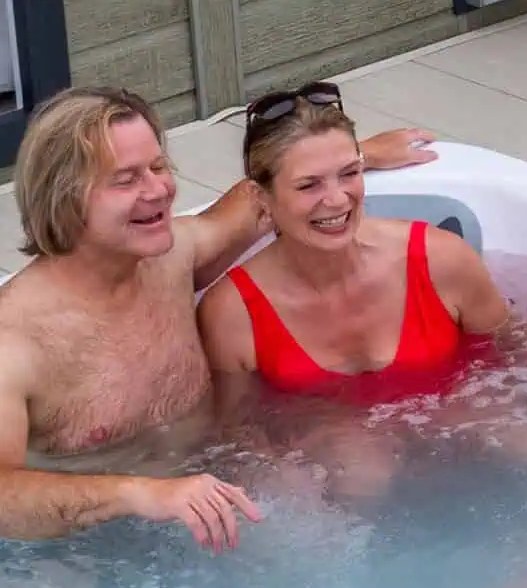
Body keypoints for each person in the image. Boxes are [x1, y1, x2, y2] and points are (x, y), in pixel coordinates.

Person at [0, 85, 436, 545]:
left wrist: (354, 156)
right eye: (127, 179)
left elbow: (264, 197)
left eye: (159, 167)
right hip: (88, 546)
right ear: (64, 198)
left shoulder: (170, 256)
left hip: (211, 486)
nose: (158, 190)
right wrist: (138, 494)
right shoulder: (6, 348)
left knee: (344, 501)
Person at [197, 83, 510, 405]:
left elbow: (516, 361)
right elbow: (241, 430)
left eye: (349, 173)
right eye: (308, 185)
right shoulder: (233, 314)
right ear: (261, 197)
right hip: (329, 445)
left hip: (458, 418)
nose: (336, 200)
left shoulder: (441, 257)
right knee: (354, 455)